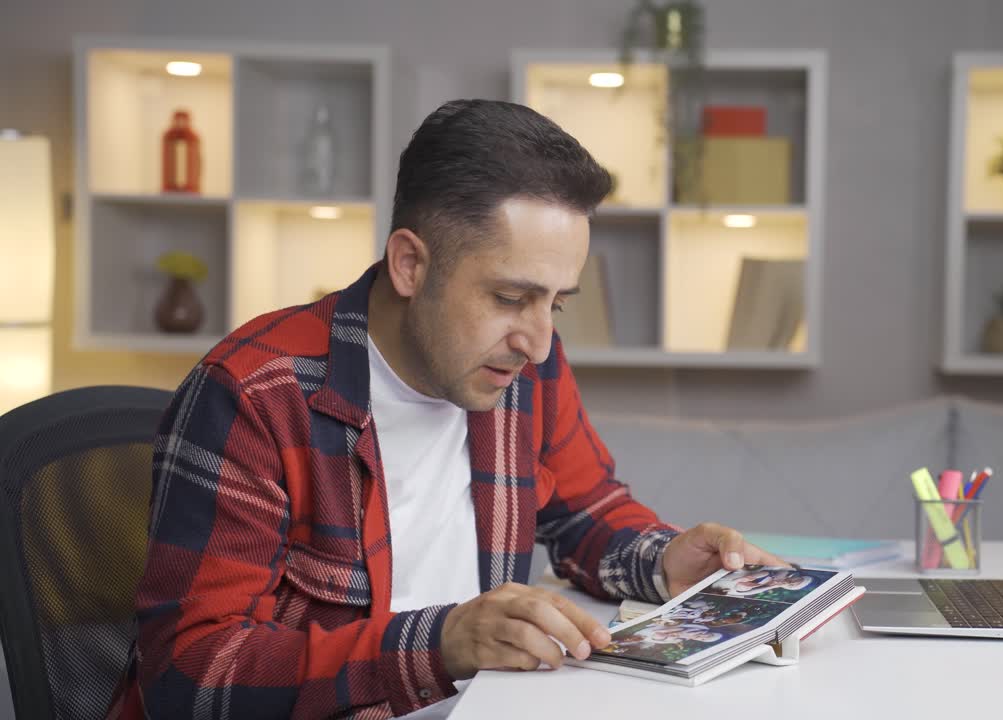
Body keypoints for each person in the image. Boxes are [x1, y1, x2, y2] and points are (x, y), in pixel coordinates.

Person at [107, 99, 782, 719]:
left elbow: (584, 513)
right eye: (511, 298)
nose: (540, 342)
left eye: (558, 302)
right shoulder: (253, 395)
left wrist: (668, 563)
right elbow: (191, 674)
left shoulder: (523, 368)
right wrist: (441, 644)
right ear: (409, 264)